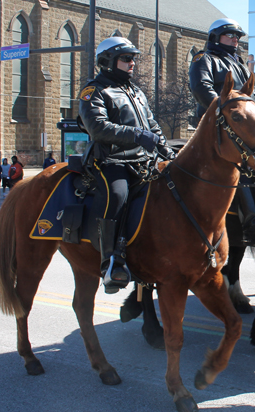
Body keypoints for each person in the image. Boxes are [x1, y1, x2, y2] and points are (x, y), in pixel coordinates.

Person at [78, 36, 175, 294]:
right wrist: (136, 135)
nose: (132, 63)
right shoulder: (94, 90)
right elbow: (97, 127)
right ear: (108, 61)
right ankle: (111, 261)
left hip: (143, 160)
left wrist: (167, 151)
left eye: (133, 58)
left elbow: (152, 126)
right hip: (110, 160)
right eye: (126, 58)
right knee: (118, 194)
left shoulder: (136, 91)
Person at [189, 18, 255, 247]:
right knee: (242, 170)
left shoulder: (240, 65)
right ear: (215, 37)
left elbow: (252, 95)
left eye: (237, 36)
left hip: (240, 127)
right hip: (215, 128)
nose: (235, 39)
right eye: (229, 35)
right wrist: (225, 113)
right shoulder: (204, 59)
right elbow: (201, 87)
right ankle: (251, 224)